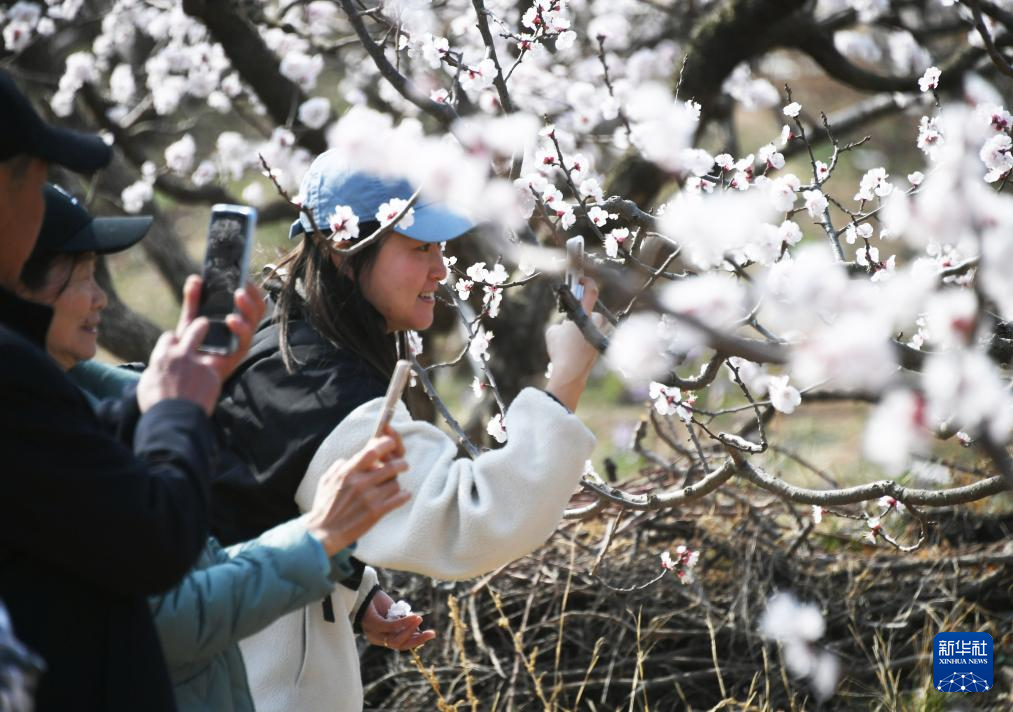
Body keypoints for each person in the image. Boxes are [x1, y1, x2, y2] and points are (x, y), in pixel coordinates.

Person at [210, 149, 603, 712]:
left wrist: (348, 583)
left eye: (439, 247)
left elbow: (260, 504)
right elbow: (468, 517)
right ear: (344, 249)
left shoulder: (279, 331)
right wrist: (565, 381)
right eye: (419, 248)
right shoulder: (313, 386)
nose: (440, 269)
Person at [19, 184, 429, 711]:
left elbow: (211, 536)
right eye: (79, 278)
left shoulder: (104, 403)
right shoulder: (37, 436)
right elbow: (174, 613)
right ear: (18, 287)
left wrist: (351, 582)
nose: (101, 297)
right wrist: (320, 539)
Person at [0, 70, 260, 711]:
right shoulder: (11, 370)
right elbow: (150, 544)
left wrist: (152, 404)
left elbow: (58, 475)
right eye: (36, 180)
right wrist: (176, 412)